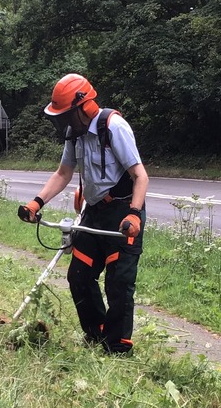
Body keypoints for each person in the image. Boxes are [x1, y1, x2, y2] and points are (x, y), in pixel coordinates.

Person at [17, 73, 149, 354]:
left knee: (119, 283)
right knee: (79, 275)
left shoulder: (114, 127)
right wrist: (36, 203)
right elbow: (63, 173)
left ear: (84, 107)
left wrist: (135, 214)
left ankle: (117, 347)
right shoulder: (74, 135)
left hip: (123, 213)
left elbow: (140, 176)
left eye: (67, 115)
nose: (63, 122)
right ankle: (97, 335)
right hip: (93, 212)